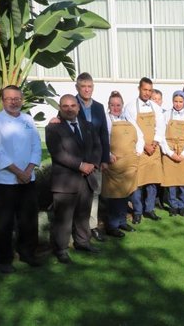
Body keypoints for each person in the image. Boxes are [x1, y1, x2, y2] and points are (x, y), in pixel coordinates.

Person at [0, 85, 42, 273]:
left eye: (17, 98)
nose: (14, 101)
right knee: (5, 222)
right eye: (9, 98)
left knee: (28, 219)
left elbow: (36, 145)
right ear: (3, 100)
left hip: (28, 179)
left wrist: (28, 170)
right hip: (5, 181)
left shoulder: (28, 119)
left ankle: (28, 253)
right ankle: (4, 259)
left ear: (22, 100)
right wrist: (18, 172)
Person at [46, 94, 102, 264]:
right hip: (65, 181)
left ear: (78, 107)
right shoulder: (53, 128)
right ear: (60, 109)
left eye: (72, 106)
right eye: (65, 106)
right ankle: (61, 249)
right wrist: (80, 165)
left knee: (83, 215)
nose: (69, 109)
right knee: (64, 218)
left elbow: (97, 147)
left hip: (87, 178)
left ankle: (83, 242)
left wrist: (92, 164)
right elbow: (58, 153)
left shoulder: (88, 126)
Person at [71, 73, 110, 243]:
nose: (87, 90)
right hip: (77, 160)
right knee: (77, 195)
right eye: (83, 86)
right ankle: (77, 228)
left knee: (94, 193)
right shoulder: (69, 105)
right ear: (77, 88)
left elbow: (104, 135)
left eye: (90, 86)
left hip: (96, 159)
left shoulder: (99, 107)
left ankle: (92, 227)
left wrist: (105, 159)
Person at [102, 91, 143, 238]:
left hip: (129, 164)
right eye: (112, 105)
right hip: (114, 164)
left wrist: (138, 151)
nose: (116, 107)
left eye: (118, 105)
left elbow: (141, 136)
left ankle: (121, 221)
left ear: (122, 105)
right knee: (115, 196)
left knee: (125, 194)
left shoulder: (128, 118)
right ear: (109, 105)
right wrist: (108, 155)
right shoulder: (106, 119)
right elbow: (103, 139)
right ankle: (112, 226)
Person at [125, 77, 165, 224]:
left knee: (152, 181)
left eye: (150, 90)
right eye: (145, 89)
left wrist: (155, 142)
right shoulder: (130, 107)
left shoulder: (156, 107)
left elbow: (161, 125)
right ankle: (137, 211)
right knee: (137, 182)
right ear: (139, 89)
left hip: (153, 149)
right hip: (139, 150)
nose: (147, 93)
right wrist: (144, 145)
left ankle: (149, 209)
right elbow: (133, 128)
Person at [160, 91, 184, 217]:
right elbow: (161, 136)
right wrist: (170, 153)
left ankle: (182, 206)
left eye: (181, 101)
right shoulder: (165, 115)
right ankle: (173, 206)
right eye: (176, 101)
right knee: (171, 182)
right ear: (172, 101)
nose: (178, 104)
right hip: (169, 151)